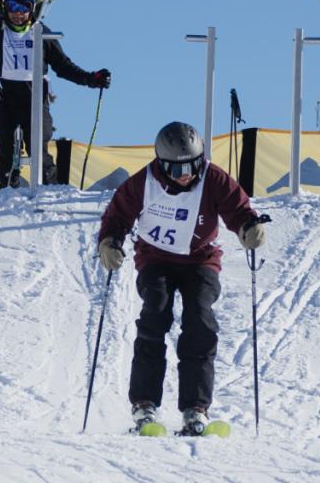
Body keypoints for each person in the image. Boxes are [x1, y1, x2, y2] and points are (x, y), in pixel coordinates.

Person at [97, 122, 265, 436]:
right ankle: (144, 403)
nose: (187, 173)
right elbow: (117, 216)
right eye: (177, 168)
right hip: (155, 259)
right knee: (154, 315)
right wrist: (109, 242)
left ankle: (195, 407)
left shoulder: (213, 178)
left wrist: (248, 227)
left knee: (200, 321)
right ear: (162, 165)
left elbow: (238, 207)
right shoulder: (143, 184)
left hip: (200, 259)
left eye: (193, 164)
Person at [0, 0, 110, 188]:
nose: (18, 14)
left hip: (34, 102)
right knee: (6, 151)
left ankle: (49, 193)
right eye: (13, 8)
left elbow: (63, 66)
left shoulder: (41, 34)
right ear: (5, 8)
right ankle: (8, 192)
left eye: (24, 8)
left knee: (39, 150)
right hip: (4, 101)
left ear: (32, 8)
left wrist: (91, 79)